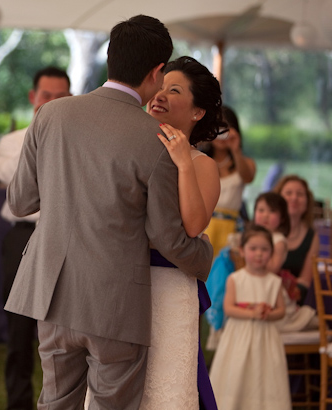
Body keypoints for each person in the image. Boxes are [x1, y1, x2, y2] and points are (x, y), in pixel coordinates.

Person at [5, 15, 213, 410]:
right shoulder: (156, 139)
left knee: (55, 402)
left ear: (110, 57)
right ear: (155, 72)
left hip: (52, 294)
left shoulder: (51, 115)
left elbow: (19, 202)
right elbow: (167, 236)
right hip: (115, 304)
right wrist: (205, 257)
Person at [140, 56, 223, 409]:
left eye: (173, 90)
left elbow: (193, 225)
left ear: (197, 112)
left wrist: (183, 162)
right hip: (124, 276)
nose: (160, 95)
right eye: (159, 87)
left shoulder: (203, 165)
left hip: (172, 285)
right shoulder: (131, 150)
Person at [0, 66, 71, 410]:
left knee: (67, 329)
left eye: (60, 97)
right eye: (46, 96)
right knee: (20, 330)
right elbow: (16, 186)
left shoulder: (78, 140)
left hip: (68, 237)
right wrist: (42, 135)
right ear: (33, 97)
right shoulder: (11, 142)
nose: (52, 103)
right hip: (23, 235)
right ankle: (18, 402)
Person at [208, 224, 290, 410]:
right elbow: (229, 308)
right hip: (239, 336)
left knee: (265, 375)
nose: (259, 254)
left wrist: (269, 314)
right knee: (237, 373)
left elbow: (281, 311)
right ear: (242, 251)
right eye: (253, 249)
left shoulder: (274, 282)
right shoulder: (235, 278)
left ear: (271, 252)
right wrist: (252, 313)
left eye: (264, 249)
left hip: (266, 337)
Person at [253, 192, 316, 332]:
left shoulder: (278, 240)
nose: (265, 215)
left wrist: (252, 258)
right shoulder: (250, 236)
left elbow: (273, 268)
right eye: (261, 210)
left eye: (272, 211)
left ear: (282, 218)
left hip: (269, 289)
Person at [203, 106, 257, 257]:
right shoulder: (199, 160)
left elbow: (248, 177)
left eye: (226, 128)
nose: (221, 133)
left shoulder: (245, 162)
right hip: (204, 225)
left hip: (231, 229)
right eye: (216, 127)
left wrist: (235, 149)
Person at [274, 175, 321, 304]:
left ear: (307, 202)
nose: (294, 198)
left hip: (293, 300)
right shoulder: (267, 230)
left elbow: (305, 280)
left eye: (300, 194)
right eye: (288, 193)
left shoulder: (312, 237)